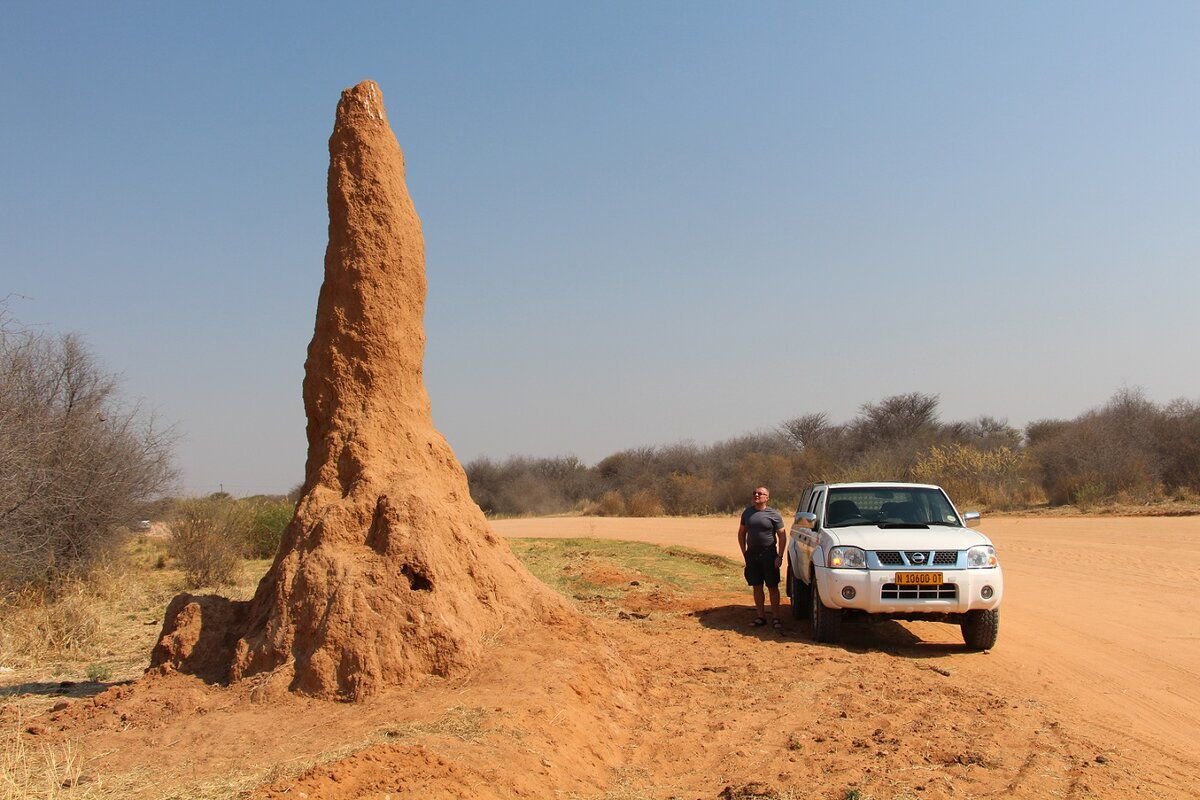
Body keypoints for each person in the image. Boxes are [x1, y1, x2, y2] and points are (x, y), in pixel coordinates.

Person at [738, 486, 786, 631]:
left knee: (772, 586)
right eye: (755, 493)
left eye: (760, 493)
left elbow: (782, 536)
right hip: (752, 555)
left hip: (769, 555)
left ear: (767, 497)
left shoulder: (774, 515)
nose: (757, 495)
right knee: (756, 586)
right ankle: (761, 616)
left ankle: (776, 617)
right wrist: (744, 552)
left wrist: (780, 556)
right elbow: (741, 533)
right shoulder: (747, 513)